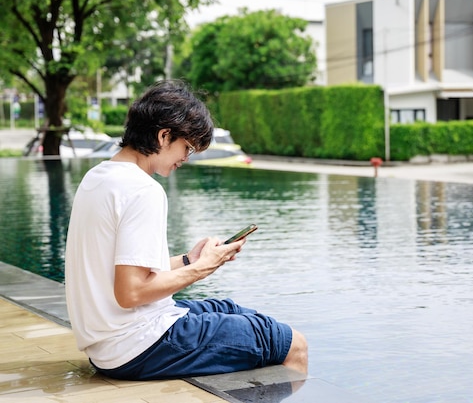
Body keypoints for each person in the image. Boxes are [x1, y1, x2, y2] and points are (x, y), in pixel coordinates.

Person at [64, 80, 308, 380]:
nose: (186, 159)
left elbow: (119, 272)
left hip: (108, 346)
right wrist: (204, 269)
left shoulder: (97, 177)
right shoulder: (142, 190)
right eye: (187, 147)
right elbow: (131, 292)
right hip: (138, 345)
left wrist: (189, 260)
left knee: (230, 308)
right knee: (292, 343)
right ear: (164, 135)